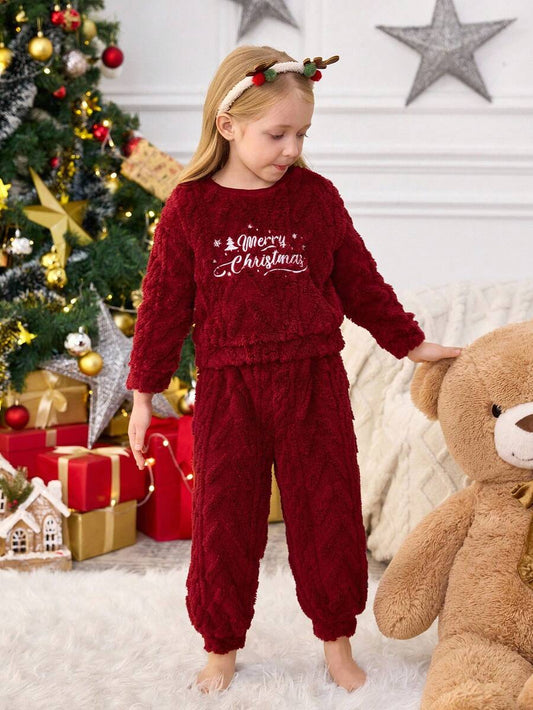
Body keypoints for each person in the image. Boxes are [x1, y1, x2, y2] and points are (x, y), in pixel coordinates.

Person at [126, 45, 461, 695]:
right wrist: (143, 395)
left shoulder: (315, 199)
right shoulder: (190, 208)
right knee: (224, 520)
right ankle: (220, 645)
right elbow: (163, 305)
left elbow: (360, 281)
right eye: (277, 134)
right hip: (228, 387)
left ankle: (336, 644)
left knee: (327, 512)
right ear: (228, 125)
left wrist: (412, 344)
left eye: (301, 135)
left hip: (313, 379)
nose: (290, 148)